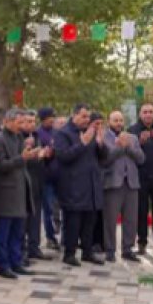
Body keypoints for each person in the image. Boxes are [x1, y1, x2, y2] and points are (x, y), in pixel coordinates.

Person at [53, 104, 107, 267]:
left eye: (88, 117)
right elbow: (63, 156)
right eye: (83, 116)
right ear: (74, 115)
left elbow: (103, 158)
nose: (87, 120)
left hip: (91, 184)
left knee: (90, 220)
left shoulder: (90, 132)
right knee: (73, 221)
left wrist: (100, 144)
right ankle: (69, 254)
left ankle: (87, 252)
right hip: (73, 185)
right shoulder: (63, 133)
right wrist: (82, 143)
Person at [0, 109, 38, 278]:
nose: (21, 126)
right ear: (7, 122)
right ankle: (3, 265)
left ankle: (16, 262)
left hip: (21, 188)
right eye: (18, 123)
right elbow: (0, 166)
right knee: (4, 231)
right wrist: (22, 158)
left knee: (18, 230)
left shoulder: (19, 138)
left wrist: (30, 156)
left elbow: (21, 159)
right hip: (7, 191)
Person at [102, 111, 145, 262]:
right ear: (109, 122)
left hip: (131, 183)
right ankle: (109, 249)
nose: (119, 123)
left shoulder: (132, 138)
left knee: (131, 219)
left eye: (121, 120)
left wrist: (128, 147)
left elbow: (141, 159)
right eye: (115, 120)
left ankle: (127, 249)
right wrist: (119, 147)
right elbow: (104, 160)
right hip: (113, 183)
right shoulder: (104, 137)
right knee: (110, 219)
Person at [21, 110, 51, 261]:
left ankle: (34, 246)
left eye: (33, 121)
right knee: (24, 218)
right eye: (28, 121)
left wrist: (45, 154)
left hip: (38, 182)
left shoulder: (37, 136)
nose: (31, 124)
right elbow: (20, 160)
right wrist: (35, 156)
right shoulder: (19, 137)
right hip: (24, 183)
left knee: (36, 217)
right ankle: (22, 249)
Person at [36, 107, 61, 250]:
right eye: (50, 117)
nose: (53, 120)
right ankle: (50, 237)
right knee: (49, 208)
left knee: (62, 207)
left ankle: (63, 236)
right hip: (46, 177)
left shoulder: (57, 133)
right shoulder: (39, 134)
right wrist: (46, 154)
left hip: (59, 175)